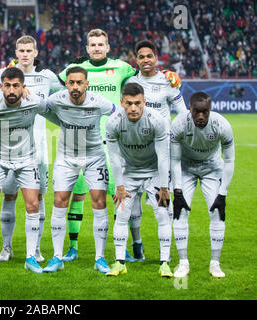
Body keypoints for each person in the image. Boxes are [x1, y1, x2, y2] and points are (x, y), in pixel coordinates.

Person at [57, 29, 181, 262]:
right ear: (86, 48)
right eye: (92, 44)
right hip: (81, 139)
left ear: (108, 47)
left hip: (114, 140)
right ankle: (73, 247)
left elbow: (144, 73)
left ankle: (121, 247)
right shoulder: (75, 70)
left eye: (100, 44)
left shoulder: (122, 67)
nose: (96, 48)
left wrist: (166, 74)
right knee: (78, 195)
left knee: (118, 194)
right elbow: (50, 83)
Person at [0, 35, 63, 263]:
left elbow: (61, 96)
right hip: (7, 148)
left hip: (38, 149)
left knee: (37, 199)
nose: (25, 54)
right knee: (8, 196)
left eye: (30, 50)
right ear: (16, 53)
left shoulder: (46, 77)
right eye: (21, 50)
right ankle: (5, 248)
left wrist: (34, 95)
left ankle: (35, 249)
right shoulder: (5, 76)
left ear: (36, 53)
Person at [0, 67, 50, 274]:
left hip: (27, 160)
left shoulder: (33, 102)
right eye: (7, 85)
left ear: (24, 87)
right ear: (1, 87)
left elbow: (55, 110)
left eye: (16, 86)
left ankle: (30, 257)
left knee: (33, 205)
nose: (11, 90)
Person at [42, 67, 115, 274]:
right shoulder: (56, 99)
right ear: (66, 84)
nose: (75, 86)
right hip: (66, 157)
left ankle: (99, 258)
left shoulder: (98, 101)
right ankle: (57, 257)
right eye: (71, 82)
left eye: (79, 82)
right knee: (59, 201)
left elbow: (117, 113)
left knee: (99, 202)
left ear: (86, 84)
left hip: (94, 156)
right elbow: (39, 106)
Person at [123, 40, 187, 261]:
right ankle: (137, 243)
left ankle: (165, 250)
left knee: (163, 202)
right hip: (133, 151)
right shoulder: (129, 81)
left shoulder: (168, 81)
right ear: (136, 60)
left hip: (162, 153)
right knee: (131, 205)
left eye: (149, 56)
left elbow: (182, 113)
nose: (146, 60)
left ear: (156, 58)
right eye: (141, 57)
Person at [105, 83, 173, 278]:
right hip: (130, 171)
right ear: (121, 102)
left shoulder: (156, 120)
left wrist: (164, 186)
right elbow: (115, 158)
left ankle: (165, 263)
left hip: (154, 171)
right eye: (128, 104)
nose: (133, 108)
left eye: (137, 103)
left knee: (162, 213)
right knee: (121, 212)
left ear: (144, 102)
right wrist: (119, 187)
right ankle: (119, 262)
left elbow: (163, 156)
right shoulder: (113, 122)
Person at [170, 92, 235, 278]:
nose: (200, 116)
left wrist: (222, 195)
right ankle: (183, 263)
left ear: (210, 110)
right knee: (180, 211)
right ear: (189, 109)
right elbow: (174, 160)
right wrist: (178, 191)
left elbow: (229, 160)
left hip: (212, 167)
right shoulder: (179, 124)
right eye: (196, 112)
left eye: (204, 112)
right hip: (186, 167)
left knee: (217, 212)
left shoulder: (222, 125)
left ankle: (215, 263)